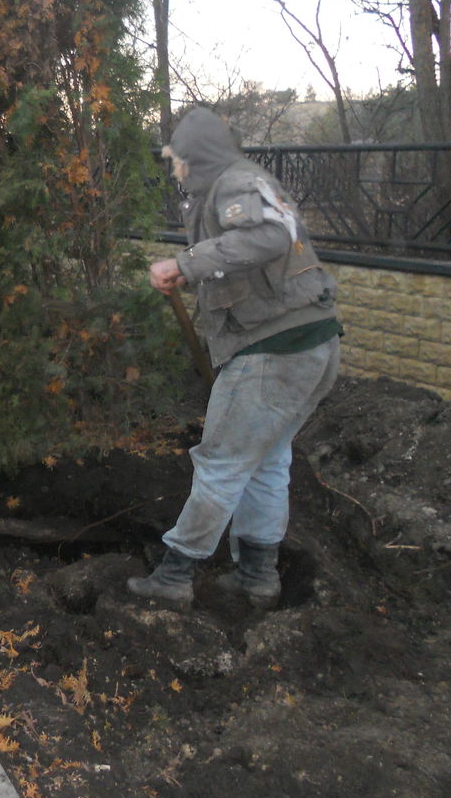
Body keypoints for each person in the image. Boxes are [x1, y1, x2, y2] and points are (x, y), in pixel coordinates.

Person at [127, 107, 343, 608]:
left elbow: (269, 237)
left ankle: (175, 576)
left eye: (177, 160)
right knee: (267, 462)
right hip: (310, 346)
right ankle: (258, 577)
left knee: (220, 463)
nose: (175, 170)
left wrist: (185, 263)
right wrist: (192, 270)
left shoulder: (234, 182)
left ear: (197, 155)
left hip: (275, 351)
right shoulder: (238, 183)